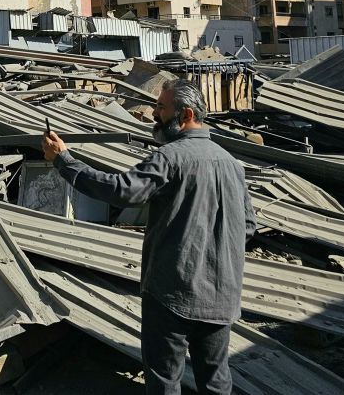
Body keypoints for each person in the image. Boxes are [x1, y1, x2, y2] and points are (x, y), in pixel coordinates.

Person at [41, 79, 255, 395]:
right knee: (216, 383)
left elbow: (120, 190)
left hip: (173, 296)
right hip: (221, 298)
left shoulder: (170, 157)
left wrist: (64, 160)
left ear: (186, 115)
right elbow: (248, 227)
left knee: (165, 383)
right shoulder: (232, 164)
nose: (154, 113)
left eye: (161, 107)